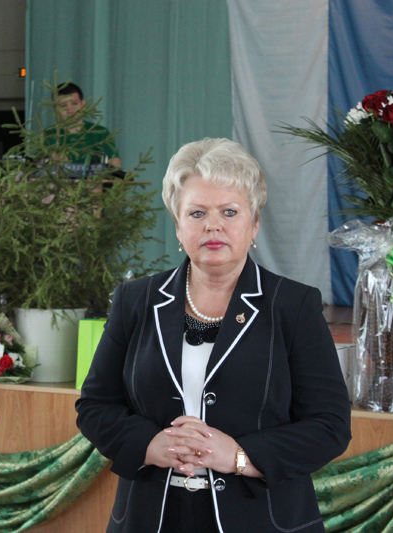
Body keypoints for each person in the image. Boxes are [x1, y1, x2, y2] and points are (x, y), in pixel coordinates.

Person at [75, 138, 351, 532]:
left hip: (261, 519)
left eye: (230, 211)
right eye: (197, 212)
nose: (213, 225)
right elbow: (95, 405)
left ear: (254, 224)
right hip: (149, 517)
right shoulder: (135, 300)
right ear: (178, 225)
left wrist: (238, 455)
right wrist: (149, 445)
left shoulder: (293, 306)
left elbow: (330, 425)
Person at [47, 82, 122, 169]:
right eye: (63, 106)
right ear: (55, 109)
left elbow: (115, 166)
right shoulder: (48, 135)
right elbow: (36, 168)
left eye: (74, 104)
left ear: (83, 104)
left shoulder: (100, 133)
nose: (70, 111)